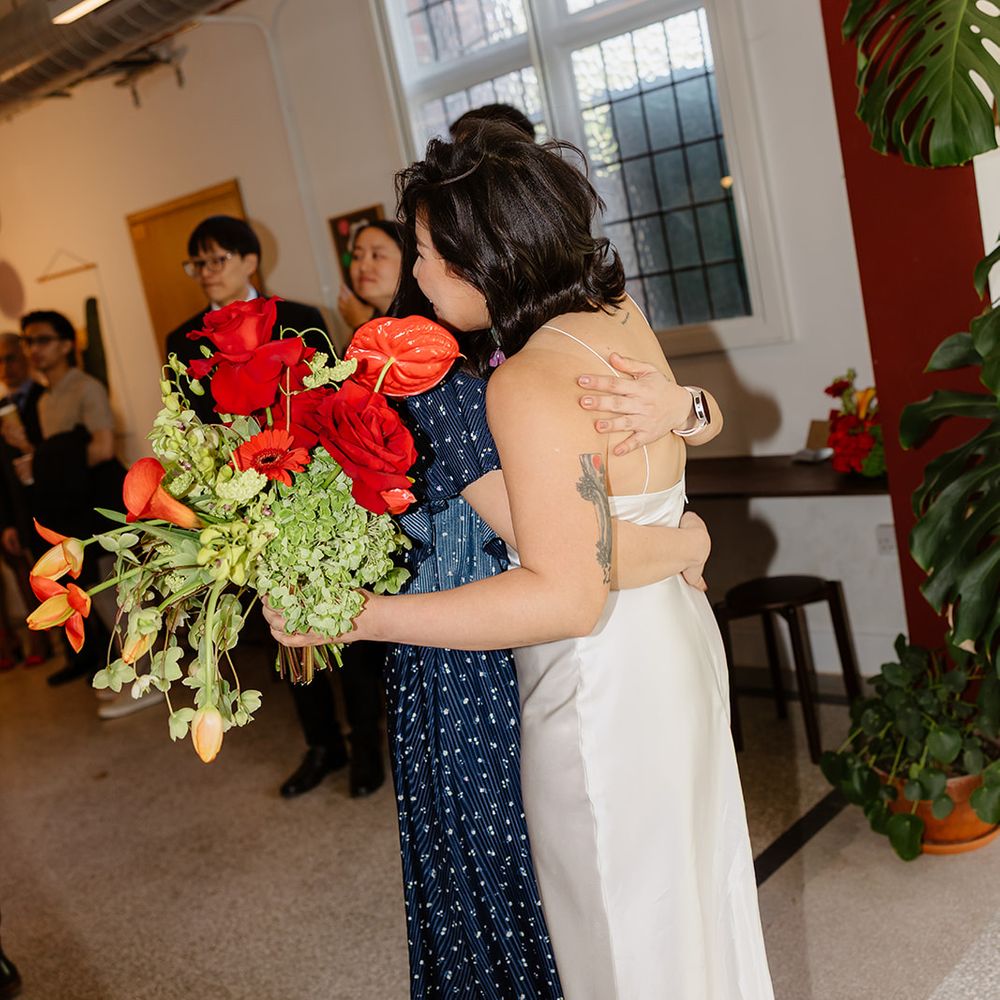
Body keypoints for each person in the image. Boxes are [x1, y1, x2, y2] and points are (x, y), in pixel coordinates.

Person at [268, 123, 771, 999]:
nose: (417, 277)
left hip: (602, 680)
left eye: (427, 255)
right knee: (692, 900)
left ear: (484, 258)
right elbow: (609, 517)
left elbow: (566, 594)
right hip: (676, 642)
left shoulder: (522, 379)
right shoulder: (616, 313)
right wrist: (691, 430)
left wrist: (362, 614)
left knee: (616, 930)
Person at [166, 215, 385, 798]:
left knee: (344, 622)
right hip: (246, 501)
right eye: (198, 264)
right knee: (283, 626)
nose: (206, 273)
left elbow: (331, 397)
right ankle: (322, 746)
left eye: (216, 260)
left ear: (248, 262)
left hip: (313, 488)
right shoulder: (183, 337)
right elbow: (195, 427)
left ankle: (367, 742)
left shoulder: (302, 319)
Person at [9, 311, 123, 690]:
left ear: (65, 344)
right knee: (92, 594)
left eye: (42, 339)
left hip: (97, 501)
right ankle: (123, 675)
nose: (33, 349)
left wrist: (47, 463)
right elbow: (55, 454)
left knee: (112, 593)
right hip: (69, 506)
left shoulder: (85, 386)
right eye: (28, 341)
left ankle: (141, 678)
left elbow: (102, 447)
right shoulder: (43, 401)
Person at [0, 332, 50, 669]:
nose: (5, 367)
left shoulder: (47, 397)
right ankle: (37, 641)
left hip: (51, 502)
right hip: (16, 509)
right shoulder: (2, 409)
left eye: (10, 358)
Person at [336, 220, 404, 330]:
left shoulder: (428, 321)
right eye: (357, 256)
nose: (363, 267)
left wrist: (362, 324)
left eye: (376, 255)